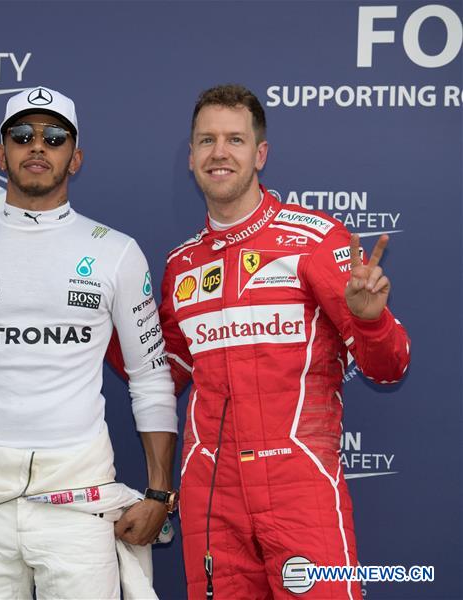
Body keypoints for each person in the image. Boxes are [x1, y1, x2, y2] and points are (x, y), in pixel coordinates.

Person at [107, 84, 411, 599]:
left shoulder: (314, 239)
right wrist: (93, 323)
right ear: (191, 157)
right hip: (211, 498)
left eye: (234, 140)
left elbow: (390, 368)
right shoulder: (182, 265)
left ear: (260, 154)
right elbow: (161, 370)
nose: (219, 152)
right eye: (206, 140)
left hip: (299, 485)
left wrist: (370, 322)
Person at [0, 85, 180, 599]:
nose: (38, 146)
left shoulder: (117, 253)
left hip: (77, 500)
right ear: (1, 152)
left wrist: (159, 494)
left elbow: (151, 378)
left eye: (54, 137)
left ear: (74, 158)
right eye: (22, 135)